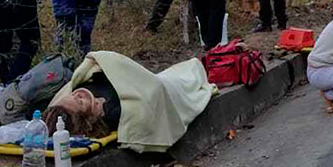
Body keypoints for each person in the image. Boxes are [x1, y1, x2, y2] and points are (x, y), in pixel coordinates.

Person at [43, 50, 213, 152]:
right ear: (87, 118)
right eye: (79, 102)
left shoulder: (79, 90)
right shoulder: (113, 113)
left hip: (153, 79)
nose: (77, 95)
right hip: (165, 88)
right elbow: (147, 100)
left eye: (72, 96)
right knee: (190, 77)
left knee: (179, 73)